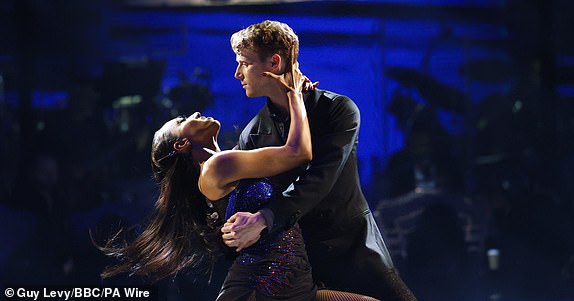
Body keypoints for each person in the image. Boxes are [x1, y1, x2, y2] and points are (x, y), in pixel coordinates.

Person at [97, 46, 378, 301]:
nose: (194, 113)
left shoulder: (229, 161)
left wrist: (296, 98)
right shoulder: (217, 167)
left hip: (294, 281)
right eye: (183, 121)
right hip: (267, 284)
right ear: (182, 144)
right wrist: (293, 94)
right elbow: (297, 153)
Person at [222, 20, 417, 300]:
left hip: (352, 249)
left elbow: (319, 177)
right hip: (297, 263)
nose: (237, 73)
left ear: (274, 62)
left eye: (244, 63)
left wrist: (265, 217)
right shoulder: (253, 133)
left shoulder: (337, 109)